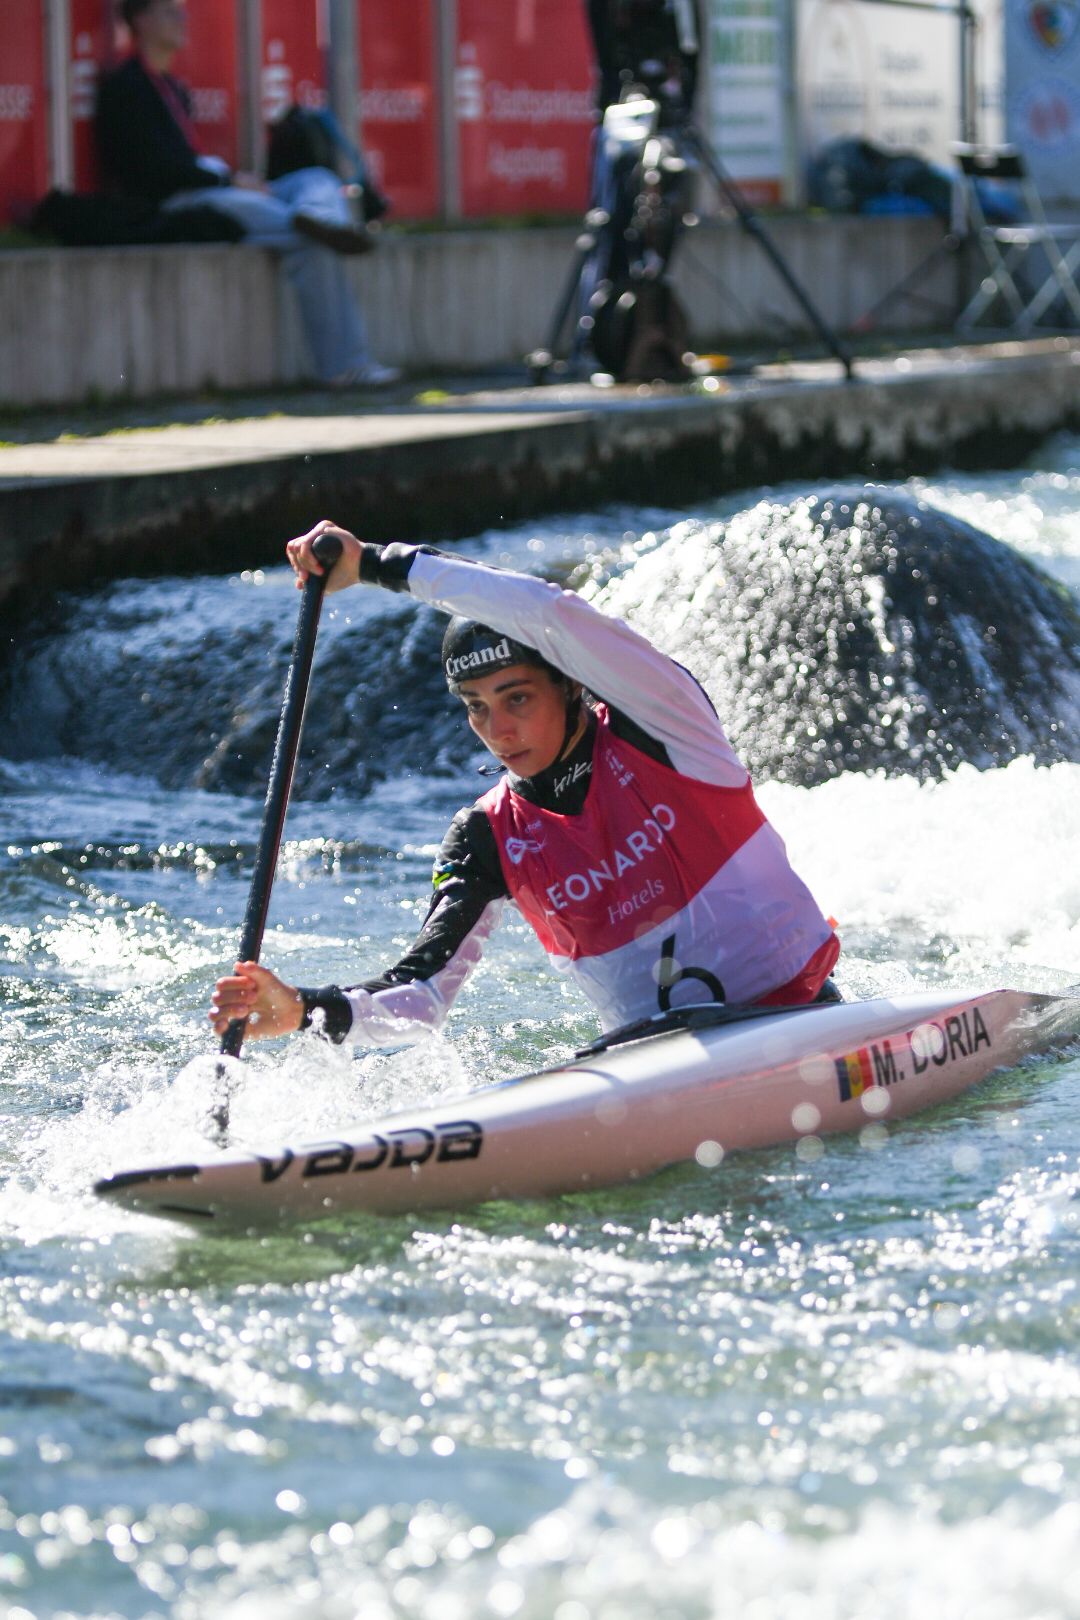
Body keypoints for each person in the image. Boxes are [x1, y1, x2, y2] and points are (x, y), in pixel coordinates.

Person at [209, 523, 841, 1050]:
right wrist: (303, 1009)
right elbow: (421, 996)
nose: (498, 729)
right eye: (476, 706)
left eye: (517, 697)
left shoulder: (666, 728)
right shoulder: (488, 835)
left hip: (804, 1021)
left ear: (571, 684)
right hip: (656, 1065)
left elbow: (548, 613)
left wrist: (375, 564)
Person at [96, 0, 399, 388]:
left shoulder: (173, 86)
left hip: (217, 187)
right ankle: (345, 366)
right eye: (170, 11)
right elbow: (155, 174)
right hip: (184, 203)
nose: (183, 19)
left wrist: (238, 179)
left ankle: (321, 217)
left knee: (316, 179)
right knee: (307, 239)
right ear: (142, 20)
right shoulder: (126, 88)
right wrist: (228, 182)